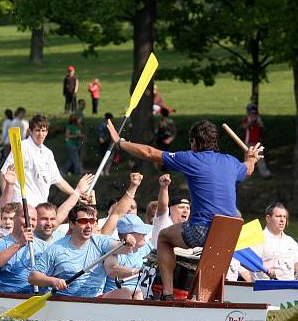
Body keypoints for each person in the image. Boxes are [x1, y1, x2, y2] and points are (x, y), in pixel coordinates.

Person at [106, 119, 263, 299]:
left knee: (164, 238)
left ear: (194, 142)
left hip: (201, 230)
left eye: (191, 142)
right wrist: (251, 158)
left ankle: (168, 294)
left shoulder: (191, 158)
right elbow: (248, 169)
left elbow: (149, 153)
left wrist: (120, 142)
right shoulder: (232, 162)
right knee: (210, 252)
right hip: (230, 232)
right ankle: (206, 299)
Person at [0, 115, 76, 207]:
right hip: (21, 206)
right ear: (30, 131)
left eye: (43, 131)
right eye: (37, 130)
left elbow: (58, 180)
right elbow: (4, 173)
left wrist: (75, 194)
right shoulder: (21, 147)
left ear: (47, 132)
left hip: (40, 207)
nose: (40, 134)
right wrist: (6, 203)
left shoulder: (48, 153)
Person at [0, 205, 47, 293]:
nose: (29, 222)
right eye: (25, 217)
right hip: (8, 298)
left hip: (36, 298)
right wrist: (19, 244)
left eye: (33, 219)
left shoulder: (44, 246)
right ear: (14, 218)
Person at [102, 214, 154, 300]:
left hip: (141, 295)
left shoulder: (147, 247)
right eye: (141, 231)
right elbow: (111, 270)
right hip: (115, 297)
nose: (145, 234)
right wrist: (135, 271)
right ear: (129, 236)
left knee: (139, 294)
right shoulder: (114, 250)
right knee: (128, 293)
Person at [249, 203, 298, 281]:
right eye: (278, 216)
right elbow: (250, 264)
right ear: (268, 219)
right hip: (265, 286)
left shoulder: (291, 242)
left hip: (290, 286)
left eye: (284, 217)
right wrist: (265, 269)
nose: (282, 220)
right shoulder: (257, 239)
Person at [242, 104, 272, 179]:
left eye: (254, 113)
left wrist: (259, 123)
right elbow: (244, 127)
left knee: (260, 158)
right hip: (248, 142)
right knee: (247, 158)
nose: (253, 115)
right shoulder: (247, 119)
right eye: (251, 113)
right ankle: (246, 174)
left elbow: (263, 129)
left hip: (258, 142)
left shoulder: (258, 119)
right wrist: (251, 122)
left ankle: (265, 174)